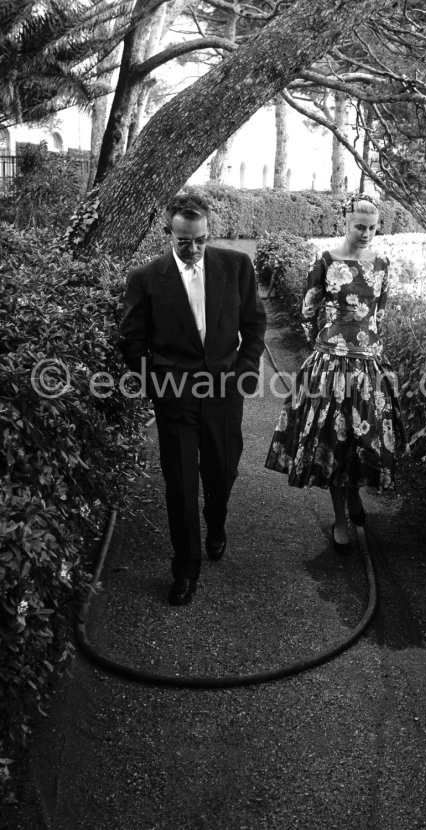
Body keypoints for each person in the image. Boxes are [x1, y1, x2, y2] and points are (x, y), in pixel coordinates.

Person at [120, 191, 266, 605]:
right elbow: (132, 341)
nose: (194, 248)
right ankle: (185, 567)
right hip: (175, 398)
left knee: (222, 473)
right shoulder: (146, 277)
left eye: (200, 239)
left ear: (208, 231)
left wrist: (243, 373)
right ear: (170, 233)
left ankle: (215, 522)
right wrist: (155, 388)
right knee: (180, 484)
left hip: (223, 393)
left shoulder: (236, 266)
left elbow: (255, 326)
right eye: (184, 241)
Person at [265, 196, 408, 552]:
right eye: (360, 226)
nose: (366, 233)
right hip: (329, 364)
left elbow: (380, 315)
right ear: (346, 222)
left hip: (367, 365)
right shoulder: (326, 261)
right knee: (331, 441)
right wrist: (328, 348)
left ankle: (355, 498)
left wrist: (370, 353)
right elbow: (307, 310)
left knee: (362, 442)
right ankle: (341, 517)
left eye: (372, 227)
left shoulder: (382, 264)